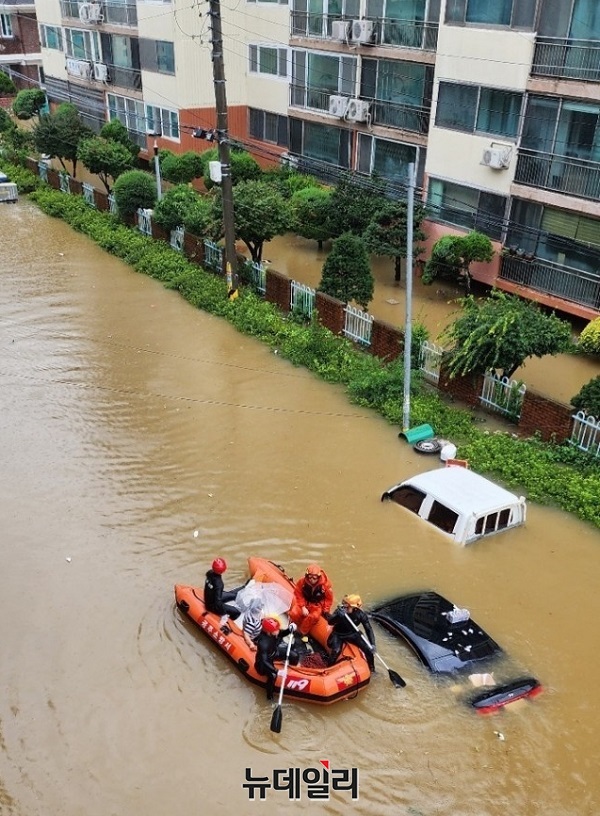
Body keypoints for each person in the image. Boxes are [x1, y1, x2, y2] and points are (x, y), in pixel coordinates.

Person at [327, 594, 376, 672]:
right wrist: (338, 616)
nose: (345, 606)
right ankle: (328, 669)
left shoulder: (360, 614)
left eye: (348, 605)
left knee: (369, 650)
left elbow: (368, 629)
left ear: (355, 608)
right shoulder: (340, 611)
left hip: (353, 633)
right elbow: (330, 622)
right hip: (338, 633)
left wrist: (372, 644)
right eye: (345, 604)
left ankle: (372, 670)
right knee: (336, 651)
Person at [254, 618, 298, 701]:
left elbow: (282, 633)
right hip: (263, 663)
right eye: (276, 629)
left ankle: (292, 670)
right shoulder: (263, 643)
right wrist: (277, 671)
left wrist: (289, 629)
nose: (278, 630)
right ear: (268, 632)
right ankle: (269, 697)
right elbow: (265, 661)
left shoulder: (273, 633)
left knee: (294, 655)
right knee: (273, 676)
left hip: (274, 652)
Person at [289, 564, 334, 639]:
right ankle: (294, 626)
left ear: (318, 577)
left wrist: (326, 610)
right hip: (305, 602)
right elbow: (298, 593)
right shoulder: (302, 582)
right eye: (310, 577)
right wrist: (303, 607)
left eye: (314, 578)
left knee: (314, 616)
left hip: (316, 605)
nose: (311, 580)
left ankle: (302, 632)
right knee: (294, 613)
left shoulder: (325, 585)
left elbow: (328, 599)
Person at [204, 557, 241, 622]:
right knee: (237, 612)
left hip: (210, 598)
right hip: (212, 605)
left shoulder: (209, 573)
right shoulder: (219, 584)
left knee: (233, 595)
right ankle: (230, 622)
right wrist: (223, 613)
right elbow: (217, 602)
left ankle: (243, 587)